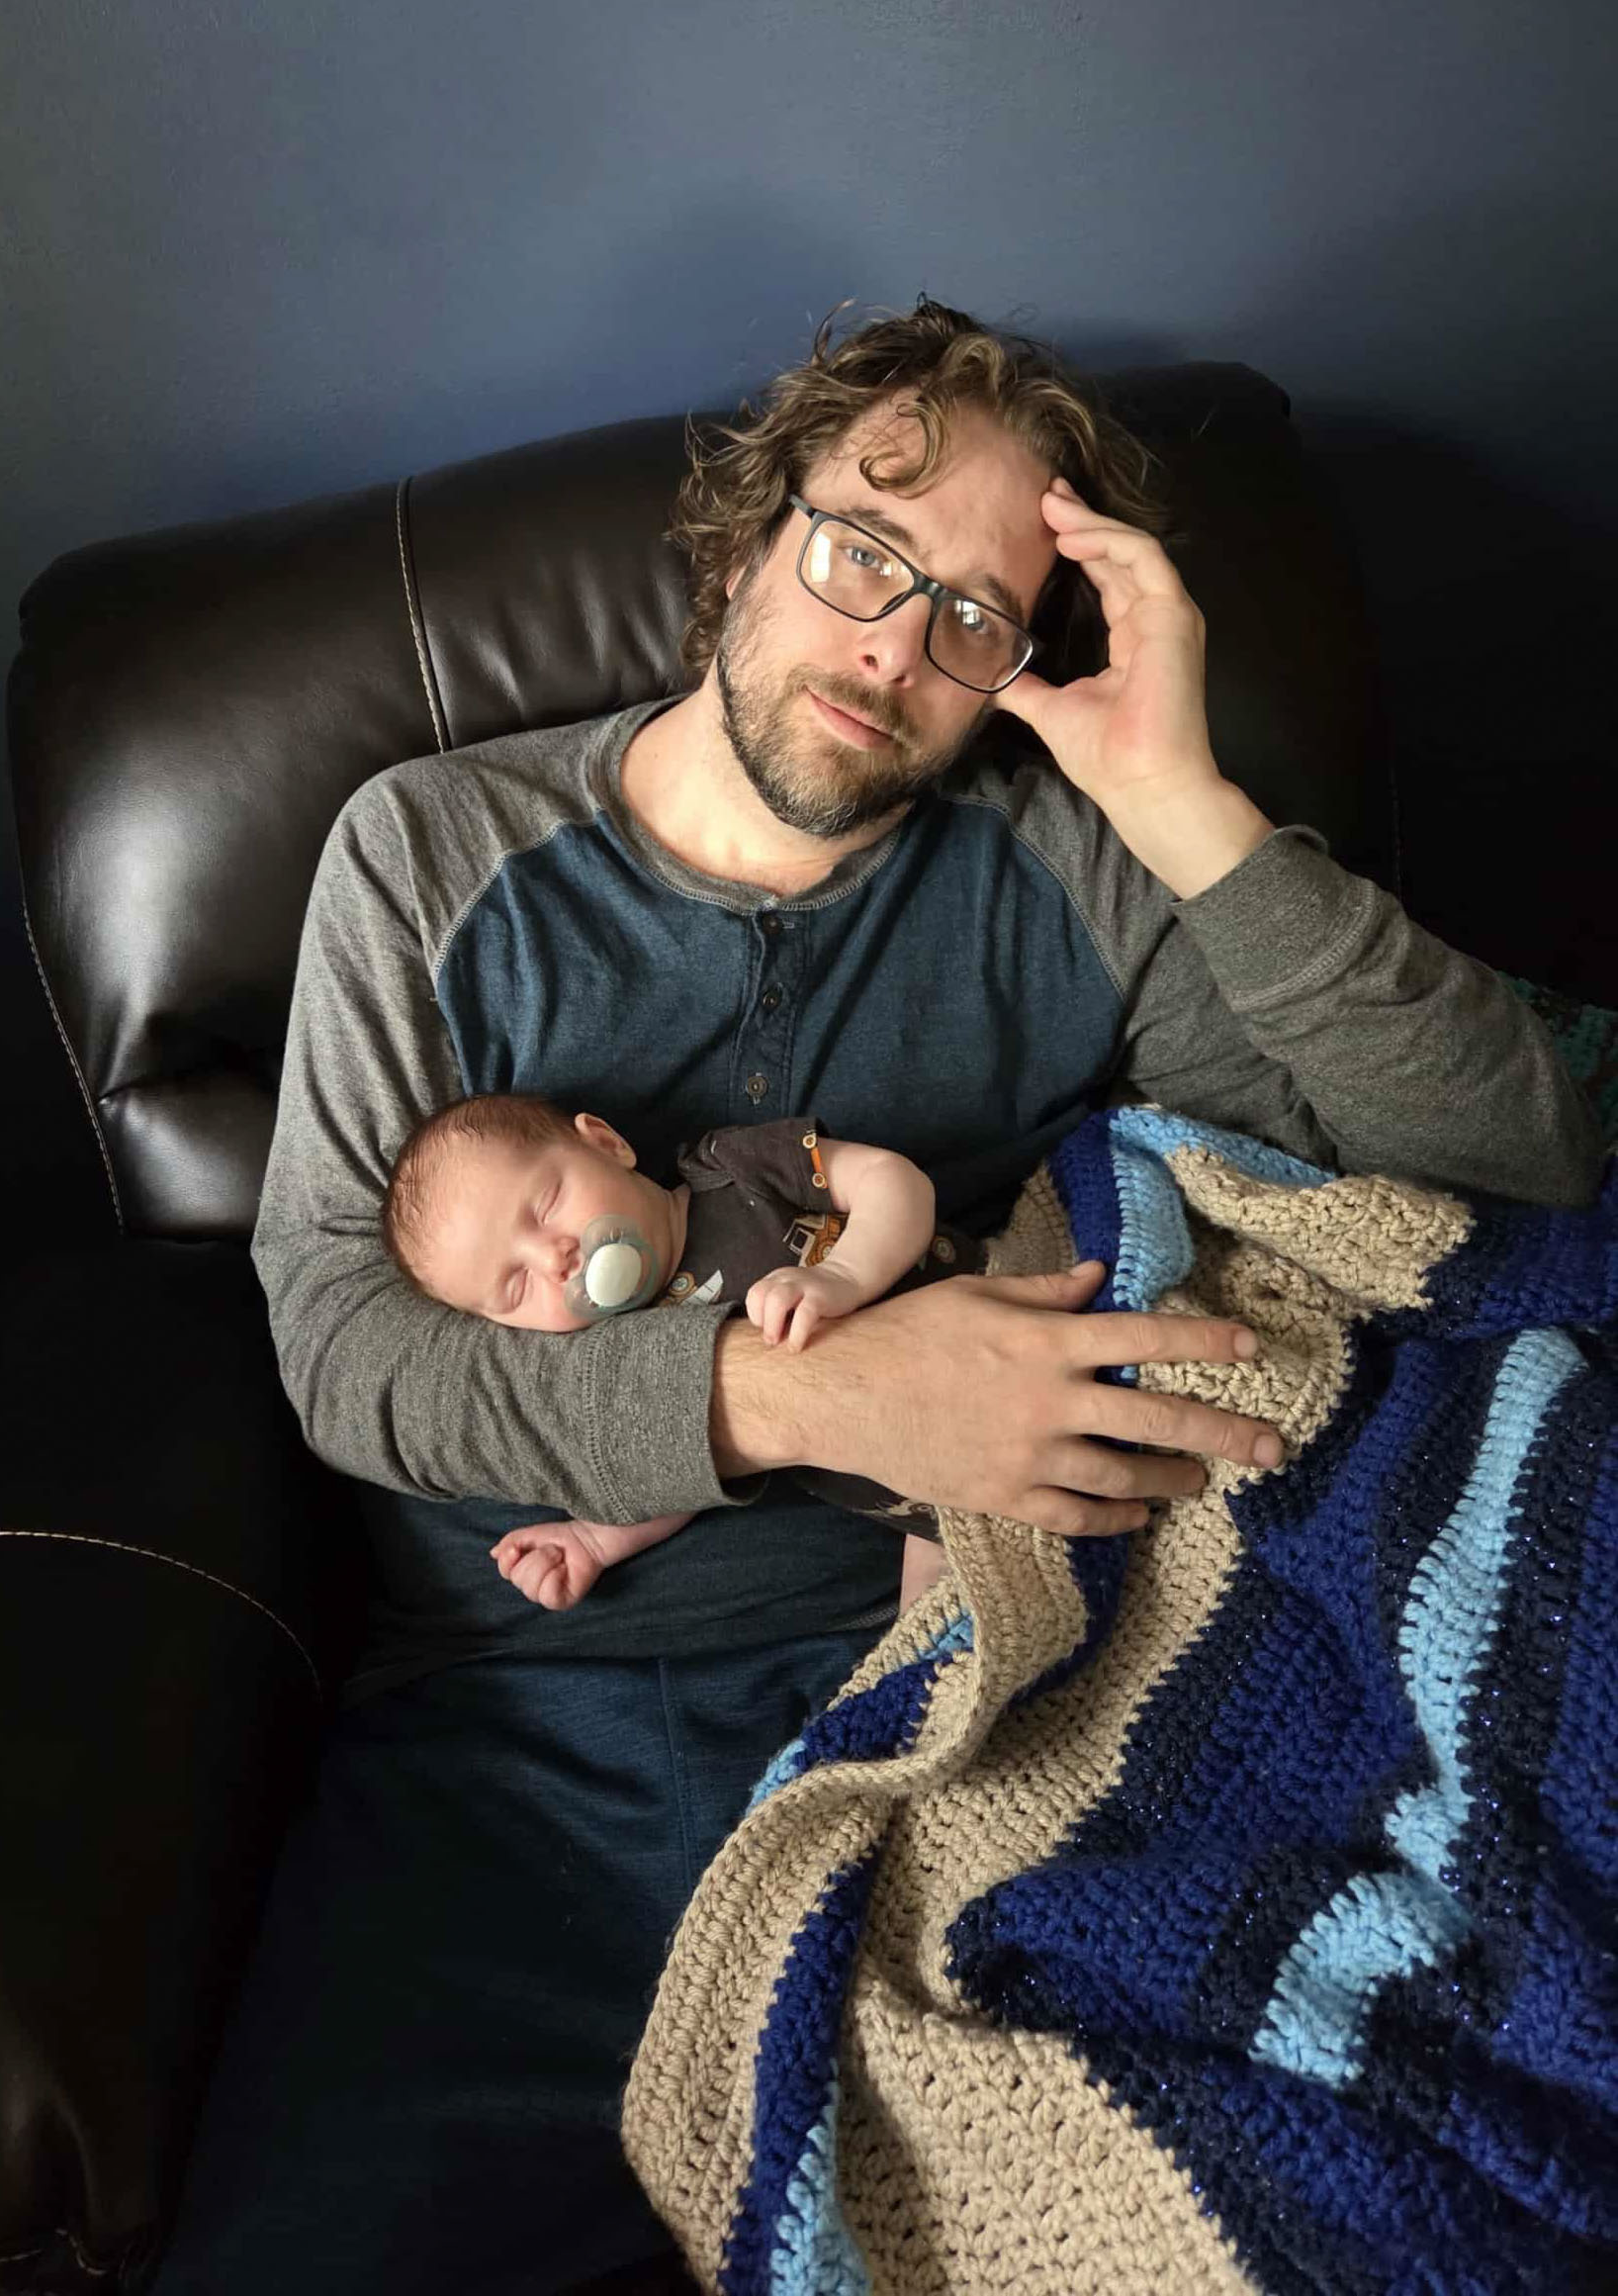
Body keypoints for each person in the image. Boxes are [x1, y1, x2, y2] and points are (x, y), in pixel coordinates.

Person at [153, 297, 1604, 2296]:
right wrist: (817, 1395)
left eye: (975, 615)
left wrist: (1180, 792)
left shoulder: (1072, 869)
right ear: (748, 533)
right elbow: (344, 1344)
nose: (893, 646)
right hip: (544, 1732)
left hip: (997, 1678)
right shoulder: (431, 853)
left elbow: (1513, 1146)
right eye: (861, 550)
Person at [379, 1088, 980, 1612]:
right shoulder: (632, 1356)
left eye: (544, 1206)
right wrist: (592, 1541)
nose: (553, 1260)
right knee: (934, 1645)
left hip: (980, 1328)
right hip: (933, 1505)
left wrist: (845, 1276)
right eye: (515, 1287)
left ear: (606, 1144)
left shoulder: (731, 1169)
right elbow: (683, 1470)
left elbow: (894, 1181)